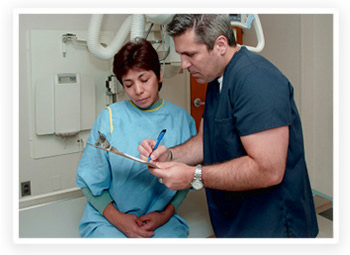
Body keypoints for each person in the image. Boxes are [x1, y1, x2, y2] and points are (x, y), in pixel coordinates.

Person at [138, 14, 319, 238]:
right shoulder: (215, 79)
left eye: (190, 54)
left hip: (272, 225)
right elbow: (207, 141)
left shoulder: (257, 80)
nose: (184, 64)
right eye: (181, 55)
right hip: (237, 221)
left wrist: (193, 176)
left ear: (221, 45)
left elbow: (269, 170)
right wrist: (171, 156)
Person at [76, 38, 196, 238]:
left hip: (160, 221)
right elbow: (89, 180)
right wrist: (119, 220)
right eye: (128, 84)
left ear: (159, 75)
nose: (138, 91)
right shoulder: (111, 117)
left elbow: (188, 177)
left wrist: (165, 215)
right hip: (109, 219)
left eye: (144, 79)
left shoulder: (181, 119)